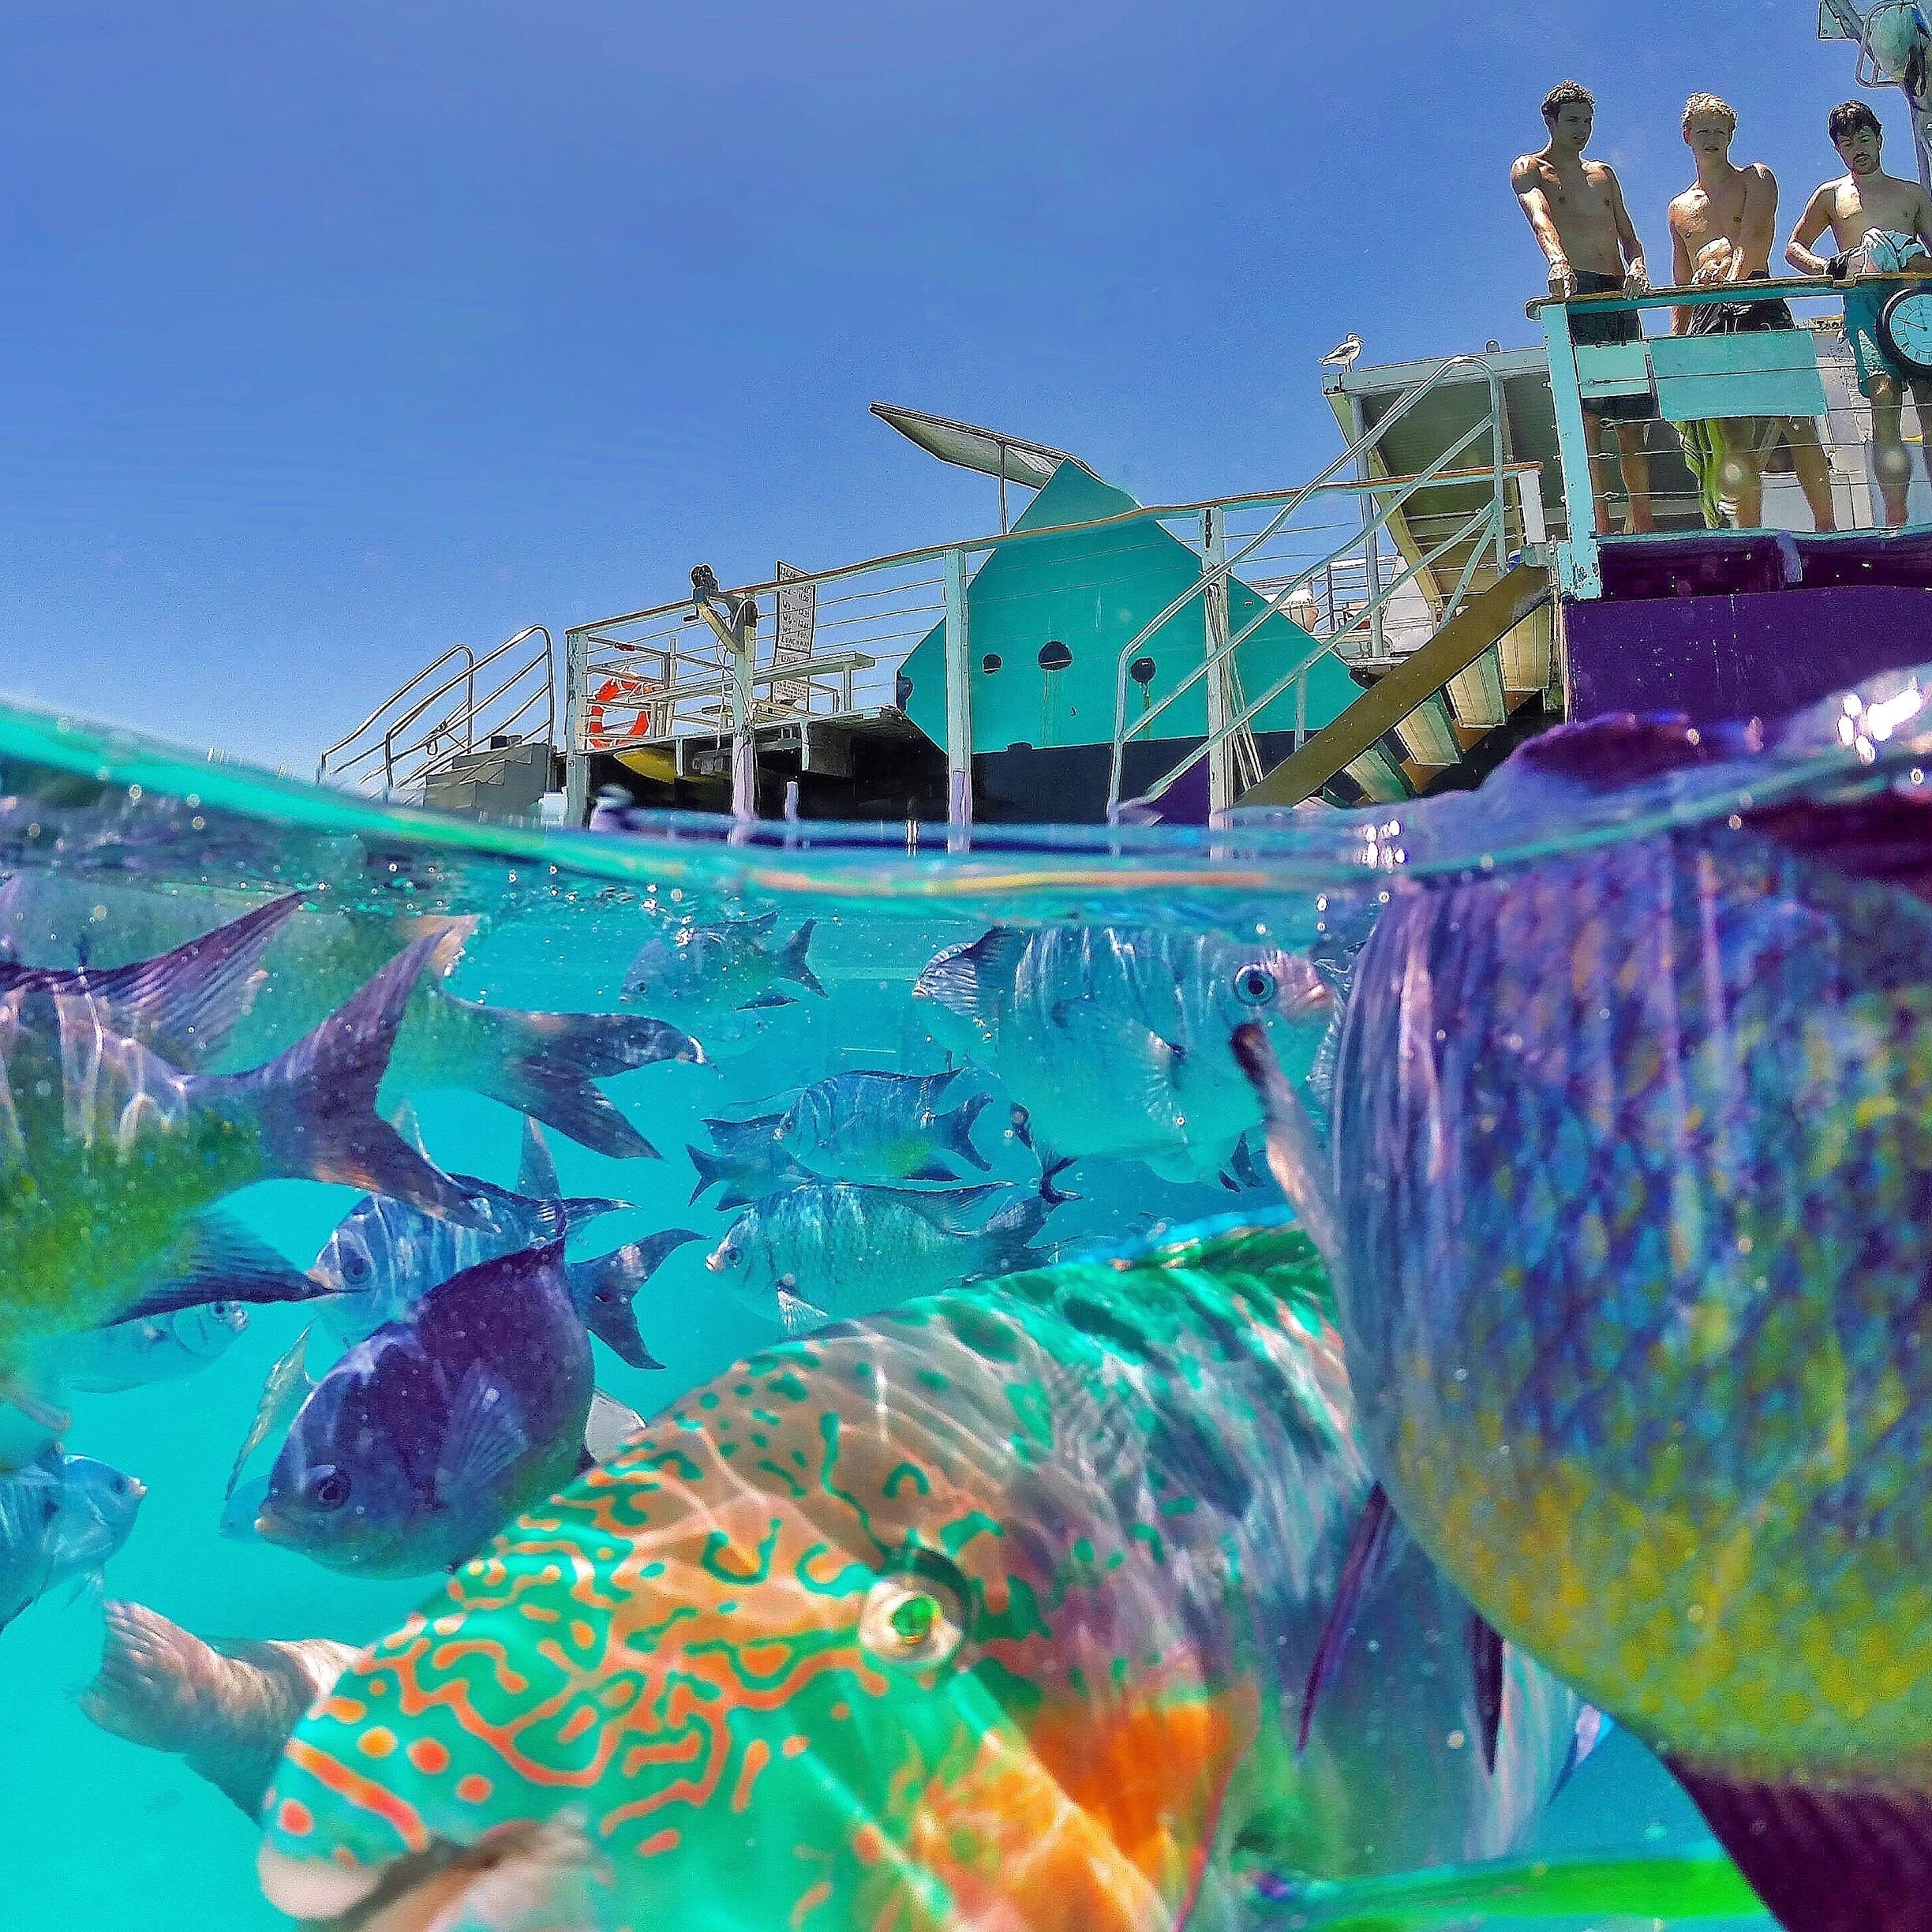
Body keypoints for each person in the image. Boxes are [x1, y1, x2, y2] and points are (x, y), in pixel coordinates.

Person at [1667, 95, 1837, 532]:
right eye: (1703, 130)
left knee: (1798, 420)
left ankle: (1827, 527)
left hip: (1760, 303)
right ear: (1687, 136)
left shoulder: (1755, 178)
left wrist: (1729, 277)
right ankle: (1751, 538)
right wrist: (1673, 344)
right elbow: (1682, 281)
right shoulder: (1679, 208)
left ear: (1731, 137)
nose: (1711, 139)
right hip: (1708, 319)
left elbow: (1754, 238)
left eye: (1719, 131)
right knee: (1731, 437)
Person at [1513, 79, 1656, 535]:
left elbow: (1630, 238)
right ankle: (1601, 526)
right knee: (1589, 416)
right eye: (1574, 121)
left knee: (1633, 417)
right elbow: (1541, 220)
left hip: (1617, 293)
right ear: (1551, 122)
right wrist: (1557, 261)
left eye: (1588, 121)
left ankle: (1644, 525)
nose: (1584, 130)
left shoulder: (1604, 174)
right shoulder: (1530, 168)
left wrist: (1638, 268)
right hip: (1577, 292)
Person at [1788, 99, 1932, 526]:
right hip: (1865, 305)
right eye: (1847, 143)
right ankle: (1896, 518)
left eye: (1864, 138)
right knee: (1884, 400)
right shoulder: (1831, 195)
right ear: (1838, 150)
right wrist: (1830, 266)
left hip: (1916, 302)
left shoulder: (1913, 193)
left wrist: (1913, 258)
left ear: (1879, 138)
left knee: (1930, 404)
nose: (1857, 148)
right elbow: (1795, 249)